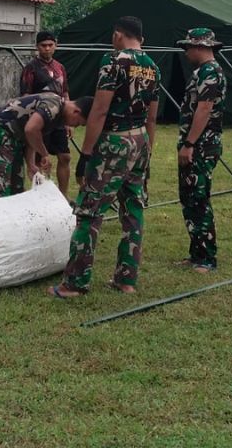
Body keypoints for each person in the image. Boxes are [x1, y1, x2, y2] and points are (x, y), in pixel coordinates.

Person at [49, 17, 159, 298]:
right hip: (140, 141)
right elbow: (152, 116)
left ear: (118, 35)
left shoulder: (113, 62)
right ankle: (126, 280)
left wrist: (86, 156)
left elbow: (98, 111)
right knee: (133, 211)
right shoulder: (152, 67)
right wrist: (147, 150)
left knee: (89, 213)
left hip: (114, 142)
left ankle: (75, 283)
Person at [174, 28, 227, 273]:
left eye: (188, 47)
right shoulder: (203, 71)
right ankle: (196, 253)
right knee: (190, 198)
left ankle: (206, 258)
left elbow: (204, 109)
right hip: (199, 144)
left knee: (198, 199)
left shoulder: (210, 72)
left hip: (201, 146)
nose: (186, 53)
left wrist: (189, 144)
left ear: (199, 47)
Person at [0, 92, 92, 199]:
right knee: (0, 186)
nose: (75, 126)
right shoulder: (53, 106)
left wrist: (31, 164)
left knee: (16, 186)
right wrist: (44, 154)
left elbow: (33, 136)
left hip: (15, 138)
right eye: (78, 123)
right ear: (76, 112)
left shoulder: (58, 115)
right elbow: (31, 129)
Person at [19, 31, 74, 194]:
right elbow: (25, 96)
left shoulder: (60, 67)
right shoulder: (30, 68)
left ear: (55, 46)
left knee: (65, 157)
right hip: (39, 120)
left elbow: (65, 93)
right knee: (38, 160)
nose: (47, 49)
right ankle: (39, 196)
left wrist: (69, 121)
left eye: (50, 45)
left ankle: (63, 197)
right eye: (43, 45)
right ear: (37, 47)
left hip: (58, 119)